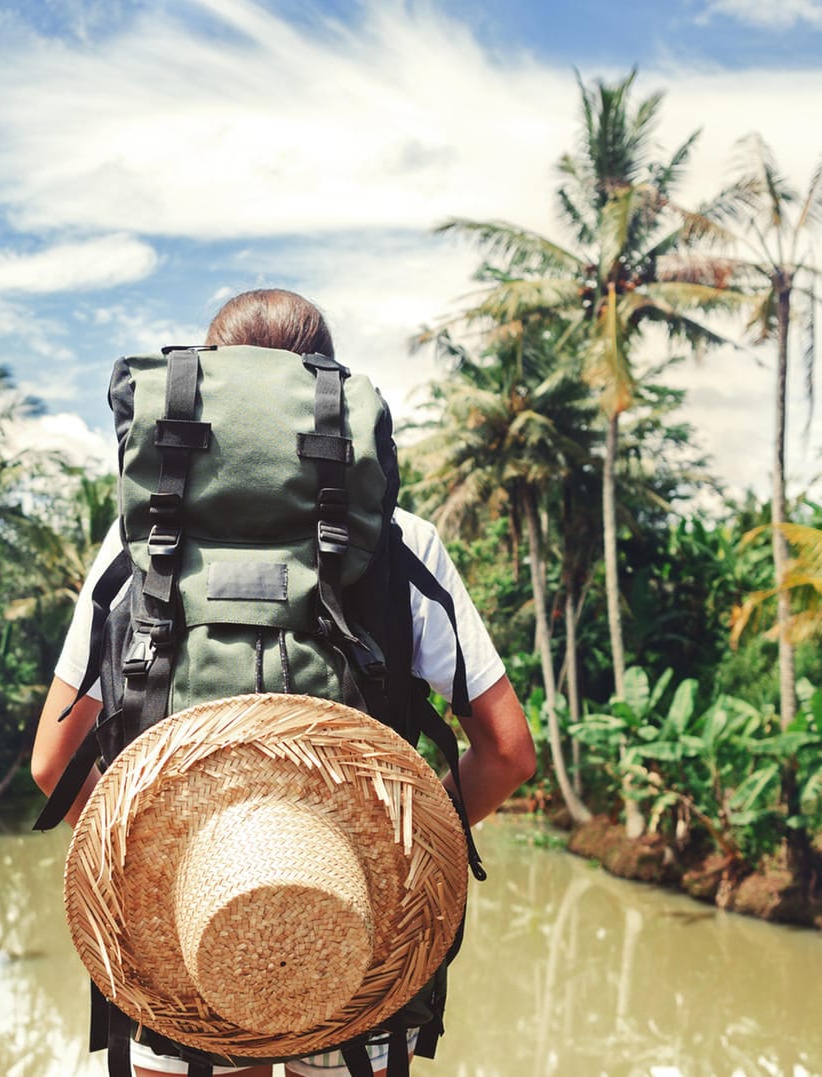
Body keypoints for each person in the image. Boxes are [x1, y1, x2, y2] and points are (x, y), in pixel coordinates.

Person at [31, 288, 538, 1077]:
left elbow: (51, 762)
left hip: (185, 934)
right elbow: (506, 751)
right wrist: (399, 849)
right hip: (355, 939)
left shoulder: (138, 543)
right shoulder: (403, 542)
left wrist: (150, 869)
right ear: (321, 401)